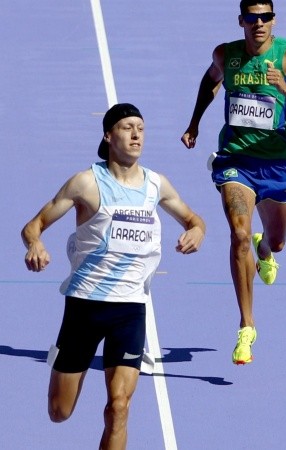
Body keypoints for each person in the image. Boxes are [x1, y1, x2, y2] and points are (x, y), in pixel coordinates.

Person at [22, 103, 205, 450]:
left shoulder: (156, 184)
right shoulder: (86, 183)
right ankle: (61, 361)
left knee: (119, 407)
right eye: (127, 127)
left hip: (130, 309)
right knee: (59, 412)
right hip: (85, 306)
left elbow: (195, 220)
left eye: (141, 128)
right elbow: (34, 226)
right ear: (108, 135)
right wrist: (35, 245)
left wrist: (197, 231)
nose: (136, 134)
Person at [180, 0, 286, 365]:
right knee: (238, 234)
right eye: (251, 17)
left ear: (273, 20)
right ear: (241, 20)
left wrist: (285, 88)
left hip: (277, 164)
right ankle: (246, 326)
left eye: (265, 17)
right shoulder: (225, 55)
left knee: (275, 240)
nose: (258, 23)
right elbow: (210, 80)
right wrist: (195, 122)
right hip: (236, 162)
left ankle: (266, 250)